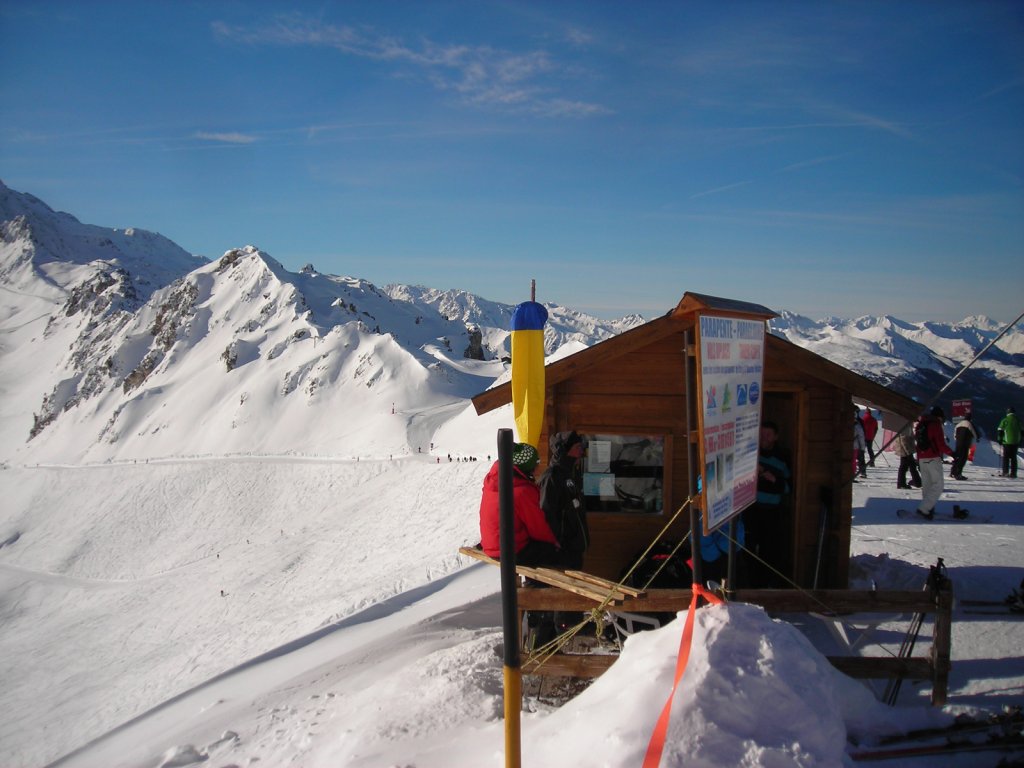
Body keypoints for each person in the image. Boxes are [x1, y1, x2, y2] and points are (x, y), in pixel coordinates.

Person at [478, 442, 562, 566]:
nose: (538, 468)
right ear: (527, 467)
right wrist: (553, 543)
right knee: (557, 555)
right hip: (509, 551)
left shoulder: (494, 480)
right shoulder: (522, 490)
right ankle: (537, 585)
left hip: (490, 545)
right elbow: (537, 527)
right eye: (536, 464)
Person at [742, 420, 792, 587]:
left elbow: (788, 487)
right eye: (762, 434)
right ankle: (749, 584)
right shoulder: (751, 454)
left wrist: (774, 480)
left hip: (772, 512)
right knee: (747, 548)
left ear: (776, 437)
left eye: (768, 434)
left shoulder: (782, 459)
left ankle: (765, 585)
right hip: (750, 509)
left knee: (770, 550)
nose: (764, 438)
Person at [538, 431, 589, 570]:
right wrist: (554, 544)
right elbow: (545, 513)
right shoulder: (552, 477)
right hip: (560, 552)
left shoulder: (571, 474)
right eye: (578, 447)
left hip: (573, 550)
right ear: (565, 450)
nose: (582, 452)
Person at [914, 406, 955, 520]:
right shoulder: (936, 425)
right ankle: (925, 508)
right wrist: (953, 453)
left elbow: (918, 444)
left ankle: (928, 508)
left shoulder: (921, 424)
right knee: (938, 485)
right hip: (933, 458)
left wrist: (918, 459)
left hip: (922, 458)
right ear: (939, 416)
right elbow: (941, 444)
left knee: (927, 485)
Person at [949, 411, 978, 481]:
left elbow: (955, 434)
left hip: (958, 443)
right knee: (963, 459)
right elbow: (974, 433)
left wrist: (957, 439)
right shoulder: (969, 424)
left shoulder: (959, 424)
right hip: (965, 444)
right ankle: (958, 474)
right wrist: (977, 437)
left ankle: (952, 472)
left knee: (957, 458)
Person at [893, 420, 922, 489]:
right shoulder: (905, 425)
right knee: (906, 466)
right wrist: (908, 451)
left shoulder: (907, 424)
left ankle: (915, 482)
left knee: (909, 466)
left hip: (905, 448)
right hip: (905, 449)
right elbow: (903, 439)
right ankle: (903, 483)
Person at [997, 406, 1021, 478]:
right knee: (1014, 457)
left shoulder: (1005, 420)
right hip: (1016, 442)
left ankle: (1005, 472)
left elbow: (1000, 430)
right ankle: (1013, 473)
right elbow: (1022, 430)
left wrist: (1000, 440)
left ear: (1007, 412)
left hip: (1006, 442)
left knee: (1006, 457)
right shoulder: (1018, 420)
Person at [853, 415, 868, 479]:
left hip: (854, 446)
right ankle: (855, 474)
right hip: (855, 446)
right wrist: (862, 447)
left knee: (853, 461)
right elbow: (861, 437)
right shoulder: (858, 425)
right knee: (855, 461)